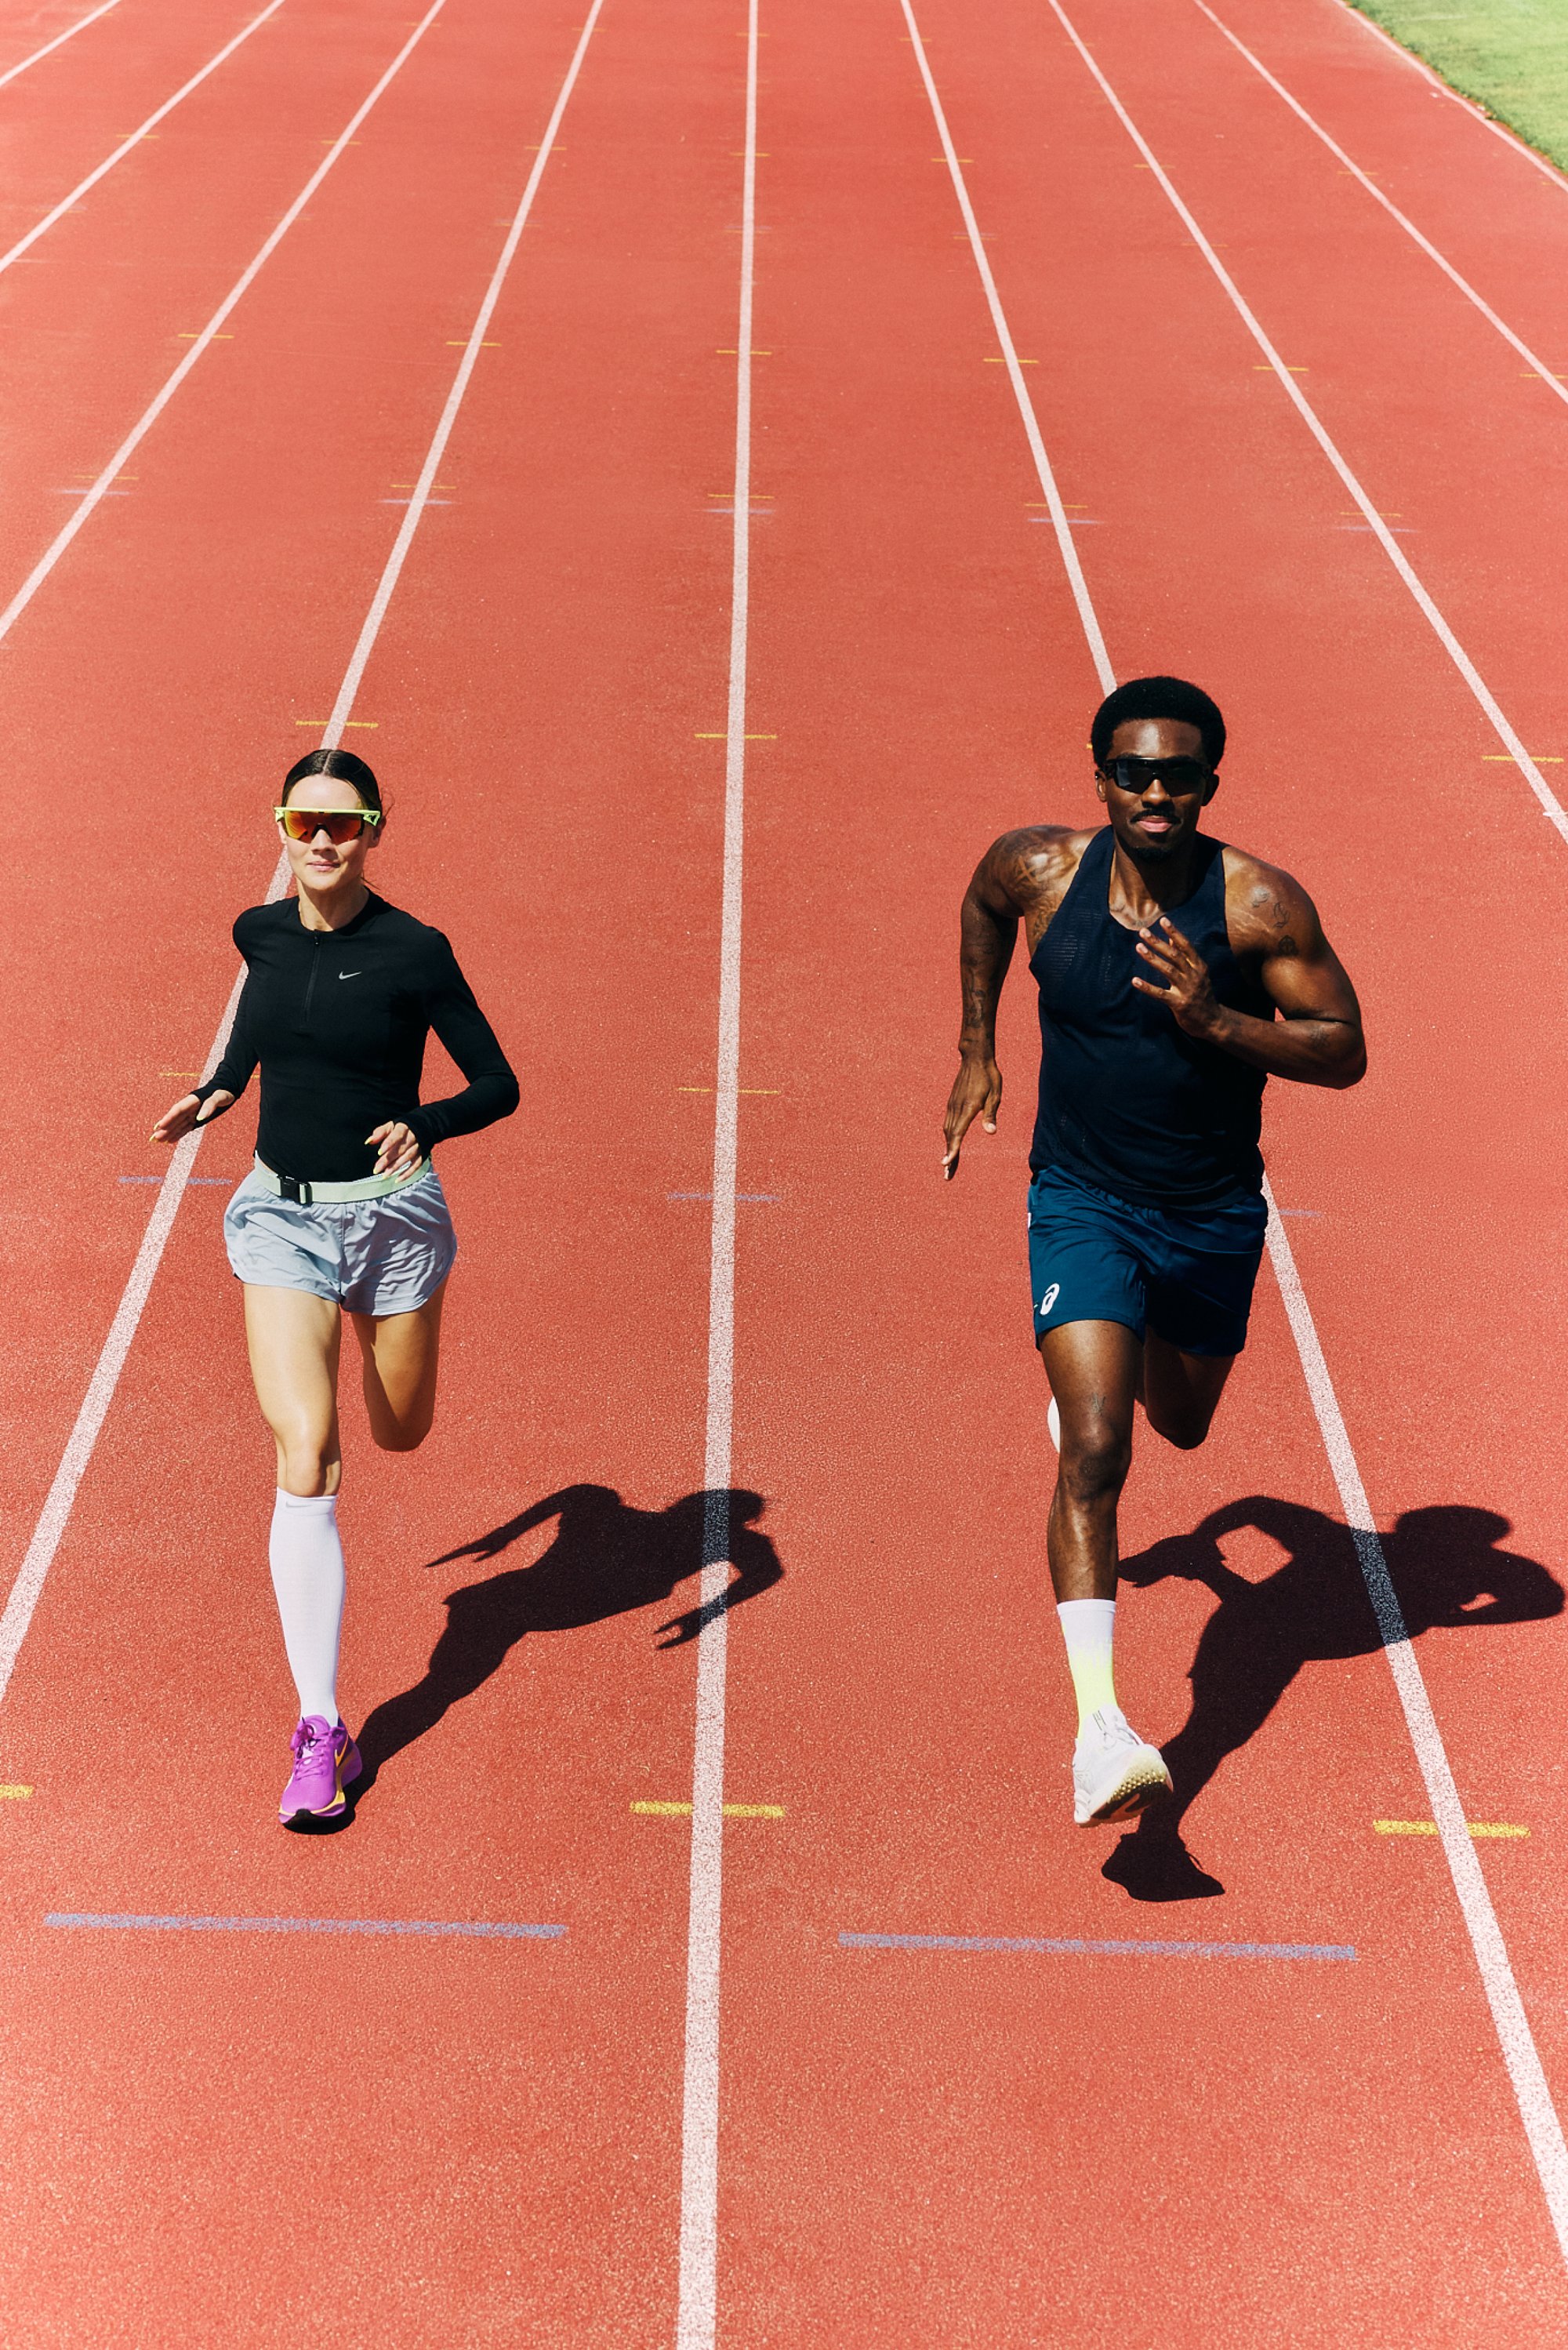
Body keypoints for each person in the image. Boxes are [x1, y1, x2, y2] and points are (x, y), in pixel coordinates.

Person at [941, 677, 1365, 1829]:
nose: (1158, 791)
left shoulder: (1260, 906)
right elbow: (982, 903)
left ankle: (1116, 1382)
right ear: (1100, 773)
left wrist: (1220, 1023)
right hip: (1079, 1196)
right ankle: (1101, 1731)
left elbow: (1345, 1049)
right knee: (1094, 1447)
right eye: (1135, 771)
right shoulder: (1039, 869)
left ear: (1211, 783)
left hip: (1210, 1215)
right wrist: (979, 1048)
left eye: (1181, 773)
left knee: (1179, 1423)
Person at [152, 749, 520, 1823]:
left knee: (398, 1429)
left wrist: (432, 1121)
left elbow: (499, 1080)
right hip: (281, 1218)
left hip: (396, 1217)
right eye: (302, 821)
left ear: (372, 830)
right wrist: (215, 1090)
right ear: (280, 824)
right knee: (306, 1449)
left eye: (343, 824)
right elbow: (262, 1029)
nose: (321, 841)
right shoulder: (257, 933)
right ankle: (322, 1728)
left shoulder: (416, 950)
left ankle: (377, 1329)